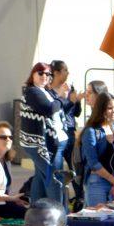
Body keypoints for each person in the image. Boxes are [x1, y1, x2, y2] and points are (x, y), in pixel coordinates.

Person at [20, 63, 68, 206]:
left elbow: (62, 109)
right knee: (54, 179)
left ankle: (36, 214)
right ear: (33, 75)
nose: (44, 77)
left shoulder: (47, 91)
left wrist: (68, 100)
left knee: (41, 179)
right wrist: (61, 98)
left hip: (53, 144)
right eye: (40, 73)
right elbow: (48, 108)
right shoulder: (32, 92)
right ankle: (58, 215)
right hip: (38, 144)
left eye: (48, 74)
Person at [47, 60, 84, 202]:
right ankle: (57, 198)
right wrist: (71, 102)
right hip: (56, 135)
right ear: (56, 73)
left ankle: (79, 198)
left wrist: (77, 101)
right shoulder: (48, 91)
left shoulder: (70, 87)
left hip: (70, 132)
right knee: (56, 168)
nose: (68, 73)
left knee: (74, 166)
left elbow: (76, 113)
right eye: (65, 70)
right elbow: (58, 111)